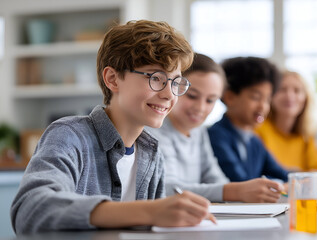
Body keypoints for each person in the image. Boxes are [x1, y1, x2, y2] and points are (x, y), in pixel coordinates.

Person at [11, 20, 214, 234]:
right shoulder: (69, 135)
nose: (169, 94)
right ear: (112, 79)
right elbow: (30, 210)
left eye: (175, 82)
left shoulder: (152, 154)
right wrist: (148, 211)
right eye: (156, 78)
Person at [148, 53, 285, 203]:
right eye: (192, 96)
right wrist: (233, 191)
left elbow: (215, 177)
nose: (200, 107)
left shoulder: (198, 131)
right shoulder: (154, 132)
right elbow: (167, 188)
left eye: (210, 100)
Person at [208, 57, 289, 187]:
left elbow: (282, 174)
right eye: (256, 97)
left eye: (267, 99)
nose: (263, 106)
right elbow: (242, 183)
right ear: (229, 97)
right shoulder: (216, 136)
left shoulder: (254, 140)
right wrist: (281, 184)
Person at [254, 71, 317, 191]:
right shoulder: (259, 130)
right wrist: (304, 182)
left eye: (297, 90)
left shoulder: (306, 136)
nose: (289, 96)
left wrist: (287, 187)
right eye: (282, 89)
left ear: (305, 99)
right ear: (270, 96)